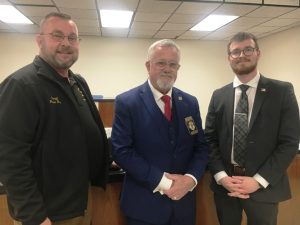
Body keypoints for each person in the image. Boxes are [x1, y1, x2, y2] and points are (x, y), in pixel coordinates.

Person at [0, 12, 109, 225]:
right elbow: (9, 157)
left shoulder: (77, 82)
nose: (66, 43)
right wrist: (34, 216)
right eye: (57, 36)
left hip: (79, 203)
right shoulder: (21, 85)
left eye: (72, 38)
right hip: (47, 213)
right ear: (39, 40)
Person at [205, 31, 300, 225]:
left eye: (248, 49)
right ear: (229, 58)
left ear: (258, 53)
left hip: (264, 187)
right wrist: (221, 176)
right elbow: (209, 139)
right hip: (226, 187)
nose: (242, 55)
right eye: (236, 51)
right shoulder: (219, 95)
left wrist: (257, 180)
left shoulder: (282, 91)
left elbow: (289, 142)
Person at [111, 39, 208, 225]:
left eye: (173, 64)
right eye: (161, 63)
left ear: (178, 68)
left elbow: (201, 147)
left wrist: (190, 179)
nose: (167, 69)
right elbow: (121, 151)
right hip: (143, 206)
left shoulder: (189, 102)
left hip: (183, 205)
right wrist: (165, 183)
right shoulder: (127, 102)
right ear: (148, 66)